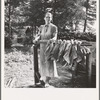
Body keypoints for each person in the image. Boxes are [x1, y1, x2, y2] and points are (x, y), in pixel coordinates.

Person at [33, 12, 58, 87]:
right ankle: (43, 79)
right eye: (47, 17)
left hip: (49, 47)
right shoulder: (41, 27)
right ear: (44, 18)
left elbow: (55, 37)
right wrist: (36, 39)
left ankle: (47, 81)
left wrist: (52, 39)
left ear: (51, 19)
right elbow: (38, 35)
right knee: (42, 63)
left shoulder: (54, 27)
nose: (48, 19)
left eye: (49, 17)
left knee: (49, 64)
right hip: (42, 47)